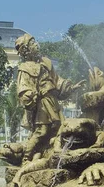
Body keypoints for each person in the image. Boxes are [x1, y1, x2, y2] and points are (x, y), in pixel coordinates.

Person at [15, 33, 84, 162]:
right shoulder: (24, 68)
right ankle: (26, 157)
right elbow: (23, 88)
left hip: (52, 101)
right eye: (32, 43)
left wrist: (71, 87)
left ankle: (51, 153)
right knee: (42, 131)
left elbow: (57, 80)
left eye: (35, 42)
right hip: (41, 104)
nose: (37, 45)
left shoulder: (46, 62)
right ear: (26, 49)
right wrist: (31, 96)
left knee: (60, 127)